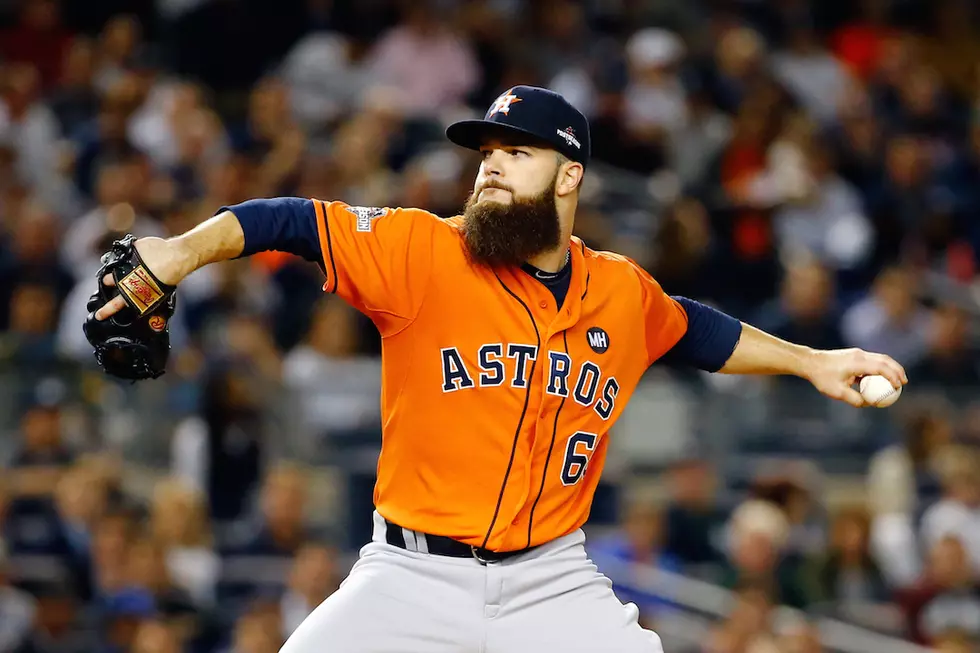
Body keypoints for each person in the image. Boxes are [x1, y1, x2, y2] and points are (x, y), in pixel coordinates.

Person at [90, 86, 907, 652]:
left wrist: (814, 362)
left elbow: (694, 328)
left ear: (570, 174)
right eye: (486, 151)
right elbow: (288, 221)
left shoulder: (619, 291)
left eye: (517, 152)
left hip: (553, 581)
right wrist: (180, 251)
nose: (490, 164)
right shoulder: (424, 252)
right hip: (409, 574)